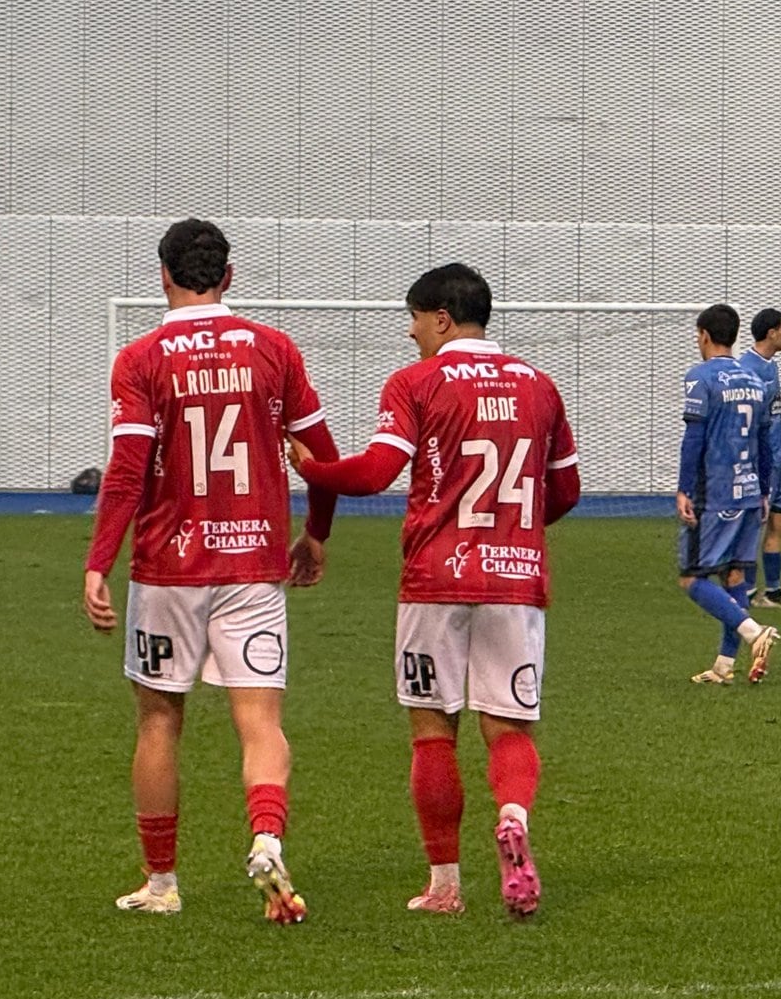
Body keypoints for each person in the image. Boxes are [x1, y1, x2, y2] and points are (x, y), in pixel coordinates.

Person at [291, 263, 579, 917]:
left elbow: (376, 472)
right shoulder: (541, 386)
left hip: (436, 578)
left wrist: (315, 469)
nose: (412, 332)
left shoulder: (417, 382)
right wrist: (515, 532)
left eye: (416, 320)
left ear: (442, 318)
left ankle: (445, 886)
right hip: (514, 580)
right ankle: (511, 814)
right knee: (508, 730)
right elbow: (565, 493)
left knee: (432, 733)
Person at [81, 219, 339, 922]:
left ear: (162, 275)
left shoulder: (141, 357)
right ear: (230, 276)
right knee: (260, 720)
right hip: (254, 563)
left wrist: (100, 561)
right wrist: (314, 535)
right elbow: (321, 455)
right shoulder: (273, 350)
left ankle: (161, 883)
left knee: (160, 721)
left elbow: (130, 468)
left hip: (168, 567)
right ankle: (264, 834)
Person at [678, 304, 780, 685]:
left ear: (704, 335)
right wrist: (766, 489)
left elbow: (695, 438)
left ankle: (753, 631)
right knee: (734, 574)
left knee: (692, 578)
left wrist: (685, 488)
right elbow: (765, 441)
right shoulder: (755, 380)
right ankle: (724, 665)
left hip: (715, 493)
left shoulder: (701, 377)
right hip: (750, 491)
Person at [741, 309, 781, 605]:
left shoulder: (769, 365)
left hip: (775, 458)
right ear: (771, 333)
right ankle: (747, 591)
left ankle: (773, 590)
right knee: (754, 524)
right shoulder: (747, 368)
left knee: (780, 519)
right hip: (757, 460)